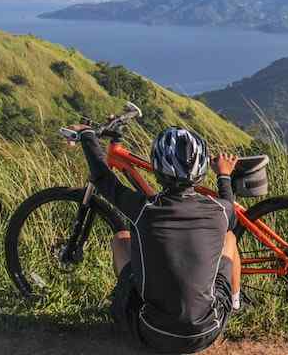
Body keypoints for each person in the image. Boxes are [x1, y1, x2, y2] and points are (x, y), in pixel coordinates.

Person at [69, 124, 241, 353]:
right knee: (229, 238)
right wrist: (224, 174)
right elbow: (230, 206)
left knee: (121, 239)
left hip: (151, 333)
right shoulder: (220, 210)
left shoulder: (143, 208)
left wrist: (87, 135)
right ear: (201, 171)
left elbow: (102, 176)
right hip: (206, 332)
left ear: (157, 169)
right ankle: (236, 302)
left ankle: (126, 303)